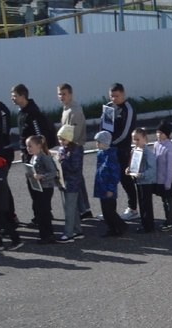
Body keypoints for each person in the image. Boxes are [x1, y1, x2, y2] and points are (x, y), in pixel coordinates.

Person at [102, 84, 138, 218]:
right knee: (109, 180)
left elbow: (125, 133)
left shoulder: (128, 109)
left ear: (123, 95)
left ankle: (133, 208)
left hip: (122, 150)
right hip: (109, 149)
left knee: (125, 180)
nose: (114, 98)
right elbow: (104, 127)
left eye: (117, 96)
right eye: (112, 96)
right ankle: (110, 212)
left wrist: (111, 143)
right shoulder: (109, 107)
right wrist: (103, 142)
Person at [56, 83, 90, 219]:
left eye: (64, 94)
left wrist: (64, 148)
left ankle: (82, 209)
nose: (61, 96)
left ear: (70, 94)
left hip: (74, 148)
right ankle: (83, 208)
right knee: (77, 178)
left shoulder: (74, 111)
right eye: (59, 94)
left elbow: (73, 135)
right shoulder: (66, 109)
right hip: (69, 146)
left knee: (74, 178)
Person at [92, 130, 126, 238]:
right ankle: (112, 228)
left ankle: (120, 226)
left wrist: (111, 189)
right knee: (105, 211)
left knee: (109, 210)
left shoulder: (111, 155)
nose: (97, 144)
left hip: (108, 188)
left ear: (105, 142)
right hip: (102, 186)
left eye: (99, 142)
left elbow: (115, 174)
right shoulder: (101, 153)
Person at [54, 125, 85, 243]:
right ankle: (78, 230)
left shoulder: (76, 150)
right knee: (72, 208)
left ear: (70, 138)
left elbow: (75, 168)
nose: (61, 142)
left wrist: (61, 162)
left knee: (69, 209)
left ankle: (68, 233)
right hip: (63, 182)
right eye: (59, 139)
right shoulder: (63, 149)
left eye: (63, 139)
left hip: (72, 183)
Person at [26, 135, 58, 244]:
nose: (28, 148)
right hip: (38, 188)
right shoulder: (33, 157)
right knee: (38, 211)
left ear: (39, 145)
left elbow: (53, 172)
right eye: (27, 146)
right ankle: (43, 235)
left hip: (46, 188)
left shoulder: (44, 157)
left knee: (44, 212)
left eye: (30, 146)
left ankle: (49, 236)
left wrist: (42, 176)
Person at [126, 128, 157, 234]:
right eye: (134, 139)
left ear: (144, 138)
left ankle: (149, 226)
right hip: (139, 181)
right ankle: (144, 224)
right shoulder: (135, 150)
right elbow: (133, 164)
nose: (135, 142)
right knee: (142, 203)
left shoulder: (148, 153)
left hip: (146, 182)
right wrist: (129, 169)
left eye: (137, 139)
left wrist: (142, 175)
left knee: (146, 204)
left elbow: (152, 169)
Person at [153, 122, 172, 230]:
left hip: (167, 180)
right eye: (157, 132)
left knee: (169, 201)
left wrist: (168, 182)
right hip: (159, 179)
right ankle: (167, 220)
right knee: (164, 201)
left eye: (161, 133)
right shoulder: (156, 144)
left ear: (166, 134)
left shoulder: (169, 146)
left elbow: (170, 166)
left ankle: (170, 222)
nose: (158, 134)